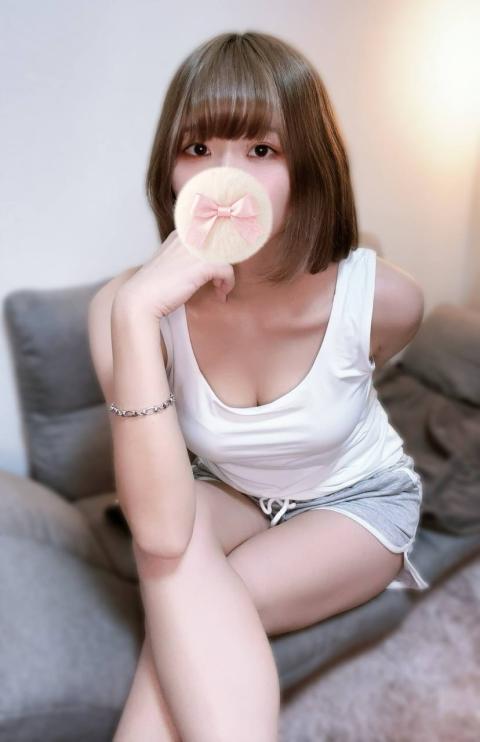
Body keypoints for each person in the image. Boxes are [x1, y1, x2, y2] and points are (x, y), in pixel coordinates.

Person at [88, 30, 429, 742]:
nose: (224, 178)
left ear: (309, 167)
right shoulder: (125, 310)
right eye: (197, 148)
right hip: (233, 491)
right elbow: (160, 530)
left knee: (198, 613)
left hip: (355, 499)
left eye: (262, 150)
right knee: (170, 565)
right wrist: (136, 311)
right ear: (170, 170)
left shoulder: (385, 300)